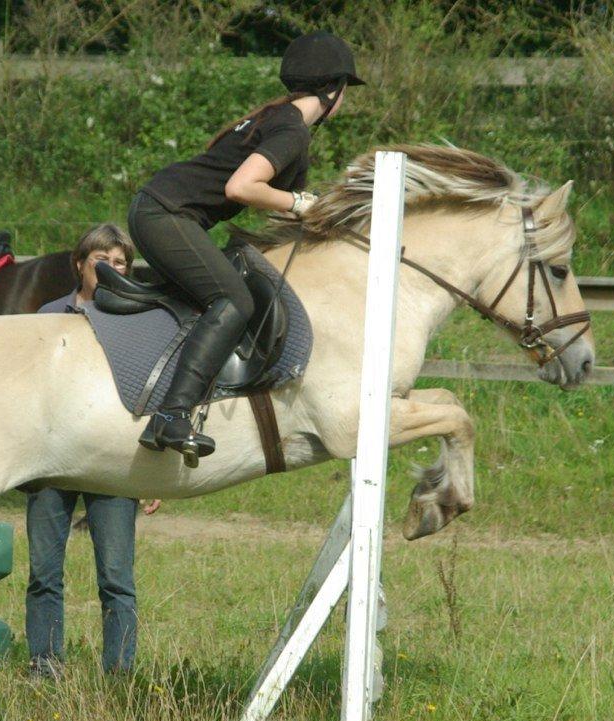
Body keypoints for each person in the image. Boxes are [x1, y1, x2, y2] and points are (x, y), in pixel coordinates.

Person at [128, 31, 364, 460]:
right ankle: (170, 415)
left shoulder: (276, 120)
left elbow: (278, 210)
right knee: (234, 300)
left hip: (159, 210)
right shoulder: (291, 130)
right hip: (166, 214)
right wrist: (298, 202)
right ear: (334, 90)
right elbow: (242, 187)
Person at [27, 223, 160, 679]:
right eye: (101, 260)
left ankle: (119, 675)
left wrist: (151, 471)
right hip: (52, 461)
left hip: (112, 464)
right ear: (80, 264)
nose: (110, 269)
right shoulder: (47, 316)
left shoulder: (135, 321)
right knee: (44, 574)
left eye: (120, 262)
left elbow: (149, 395)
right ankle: (45, 666)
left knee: (117, 579)